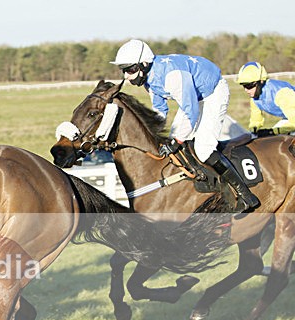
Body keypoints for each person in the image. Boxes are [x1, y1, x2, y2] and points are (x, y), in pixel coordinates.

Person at [111, 39, 260, 212]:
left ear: (144, 64)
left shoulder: (171, 76)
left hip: (213, 93)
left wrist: (178, 140)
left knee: (204, 149)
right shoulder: (149, 79)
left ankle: (245, 195)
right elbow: (159, 111)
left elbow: (191, 111)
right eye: (124, 70)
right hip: (195, 98)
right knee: (173, 142)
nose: (126, 76)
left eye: (130, 70)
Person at [236, 61, 295, 136]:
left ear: (261, 81)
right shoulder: (254, 98)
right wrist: (254, 130)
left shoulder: (282, 93)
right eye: (244, 86)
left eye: (249, 86)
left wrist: (272, 131)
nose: (246, 90)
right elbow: (256, 120)